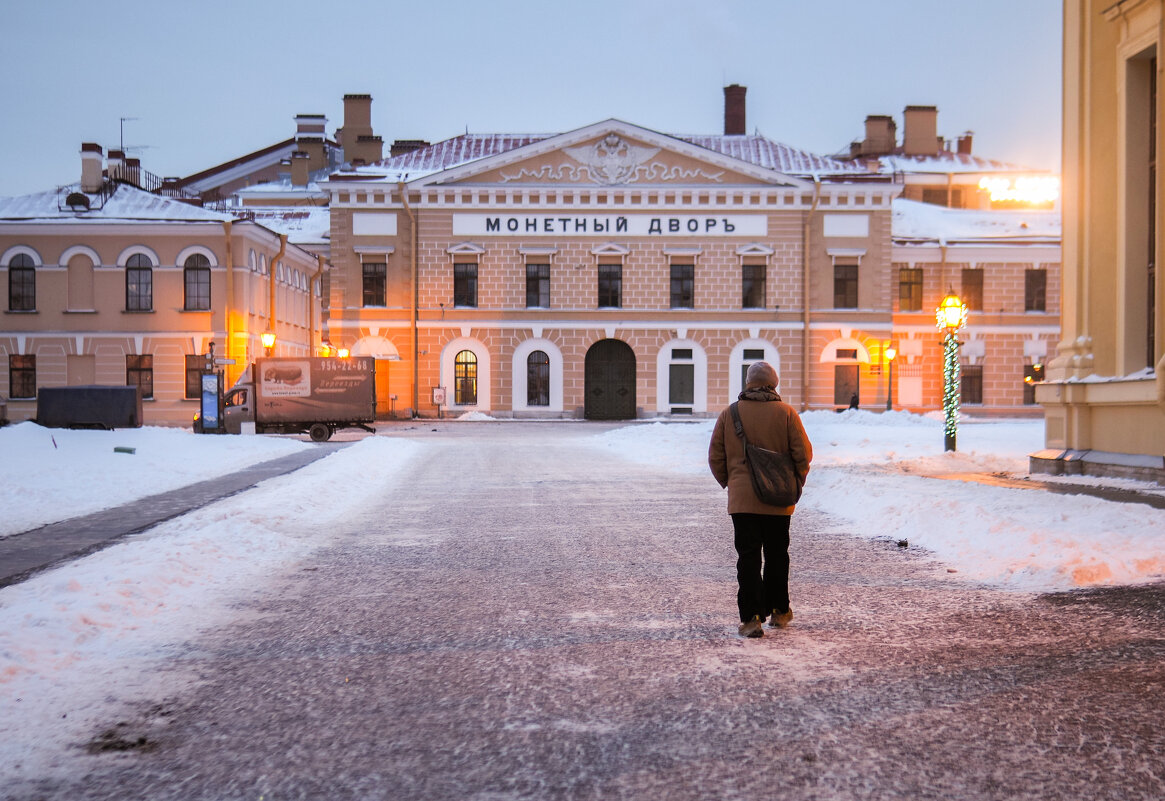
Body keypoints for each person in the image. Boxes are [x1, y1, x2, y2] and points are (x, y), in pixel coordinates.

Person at [708, 361, 813, 638]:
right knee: (778, 555)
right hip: (779, 499)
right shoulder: (787, 413)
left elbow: (715, 456)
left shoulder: (730, 414)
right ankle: (779, 610)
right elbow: (803, 454)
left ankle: (751, 618)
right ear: (774, 383)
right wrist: (795, 482)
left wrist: (733, 484)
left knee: (748, 558)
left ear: (748, 382)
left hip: (743, 502)